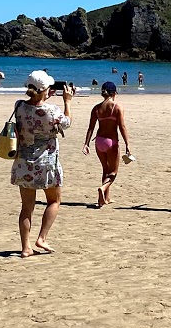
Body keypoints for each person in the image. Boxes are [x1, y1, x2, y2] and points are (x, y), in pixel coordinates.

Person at [11, 70, 72, 257]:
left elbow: (32, 109)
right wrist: (67, 101)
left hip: (23, 162)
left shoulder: (19, 106)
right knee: (54, 200)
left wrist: (44, 94)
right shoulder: (51, 111)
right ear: (45, 89)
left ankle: (25, 247)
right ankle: (42, 238)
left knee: (26, 207)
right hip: (46, 163)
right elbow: (67, 123)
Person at [84, 80, 132, 207]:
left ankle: (105, 199)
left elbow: (91, 127)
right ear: (114, 93)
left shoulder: (96, 108)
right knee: (113, 172)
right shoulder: (116, 107)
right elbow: (122, 127)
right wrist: (127, 143)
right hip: (111, 142)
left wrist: (86, 144)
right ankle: (103, 189)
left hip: (99, 141)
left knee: (105, 169)